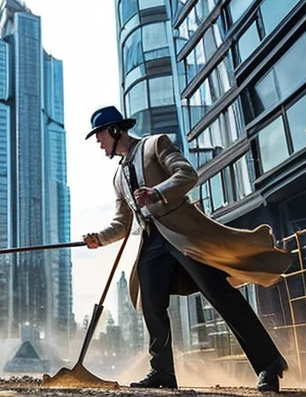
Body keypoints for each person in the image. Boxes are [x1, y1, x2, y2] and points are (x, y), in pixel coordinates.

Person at [82, 106, 292, 392]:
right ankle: (162, 372)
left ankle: (269, 364)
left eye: (100, 135)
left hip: (184, 235)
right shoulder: (118, 178)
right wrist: (99, 238)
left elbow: (187, 174)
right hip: (151, 241)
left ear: (116, 129)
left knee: (220, 295)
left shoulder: (155, 145)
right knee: (151, 305)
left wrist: (156, 192)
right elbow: (121, 223)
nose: (98, 142)